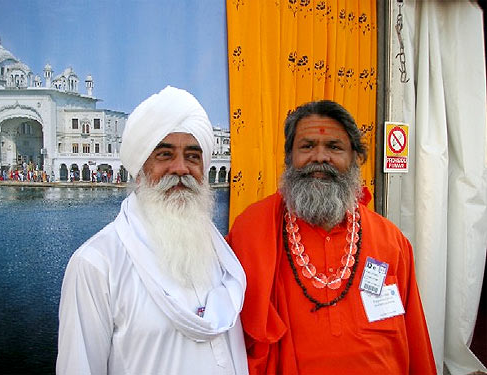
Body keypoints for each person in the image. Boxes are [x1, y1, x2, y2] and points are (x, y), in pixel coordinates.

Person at [227, 100, 436, 375]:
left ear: (355, 158)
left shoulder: (391, 241)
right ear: (289, 158)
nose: (320, 157)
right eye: (307, 146)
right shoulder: (250, 232)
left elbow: (416, 338)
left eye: (334, 147)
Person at [57, 86, 248, 375]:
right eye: (164, 154)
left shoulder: (216, 252)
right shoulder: (97, 265)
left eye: (193, 156)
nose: (181, 168)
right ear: (139, 168)